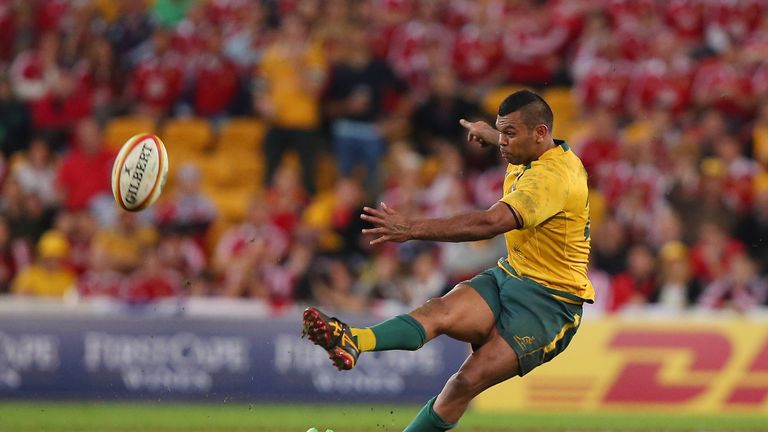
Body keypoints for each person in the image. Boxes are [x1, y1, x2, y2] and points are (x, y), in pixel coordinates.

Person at [302, 90, 593, 431]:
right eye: (502, 132)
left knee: (463, 384)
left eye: (510, 134)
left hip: (551, 303)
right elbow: (515, 147)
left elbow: (489, 223)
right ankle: (355, 339)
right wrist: (493, 134)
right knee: (436, 310)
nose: (503, 143)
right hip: (511, 276)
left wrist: (412, 228)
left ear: (540, 133)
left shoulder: (553, 178)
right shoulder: (531, 154)